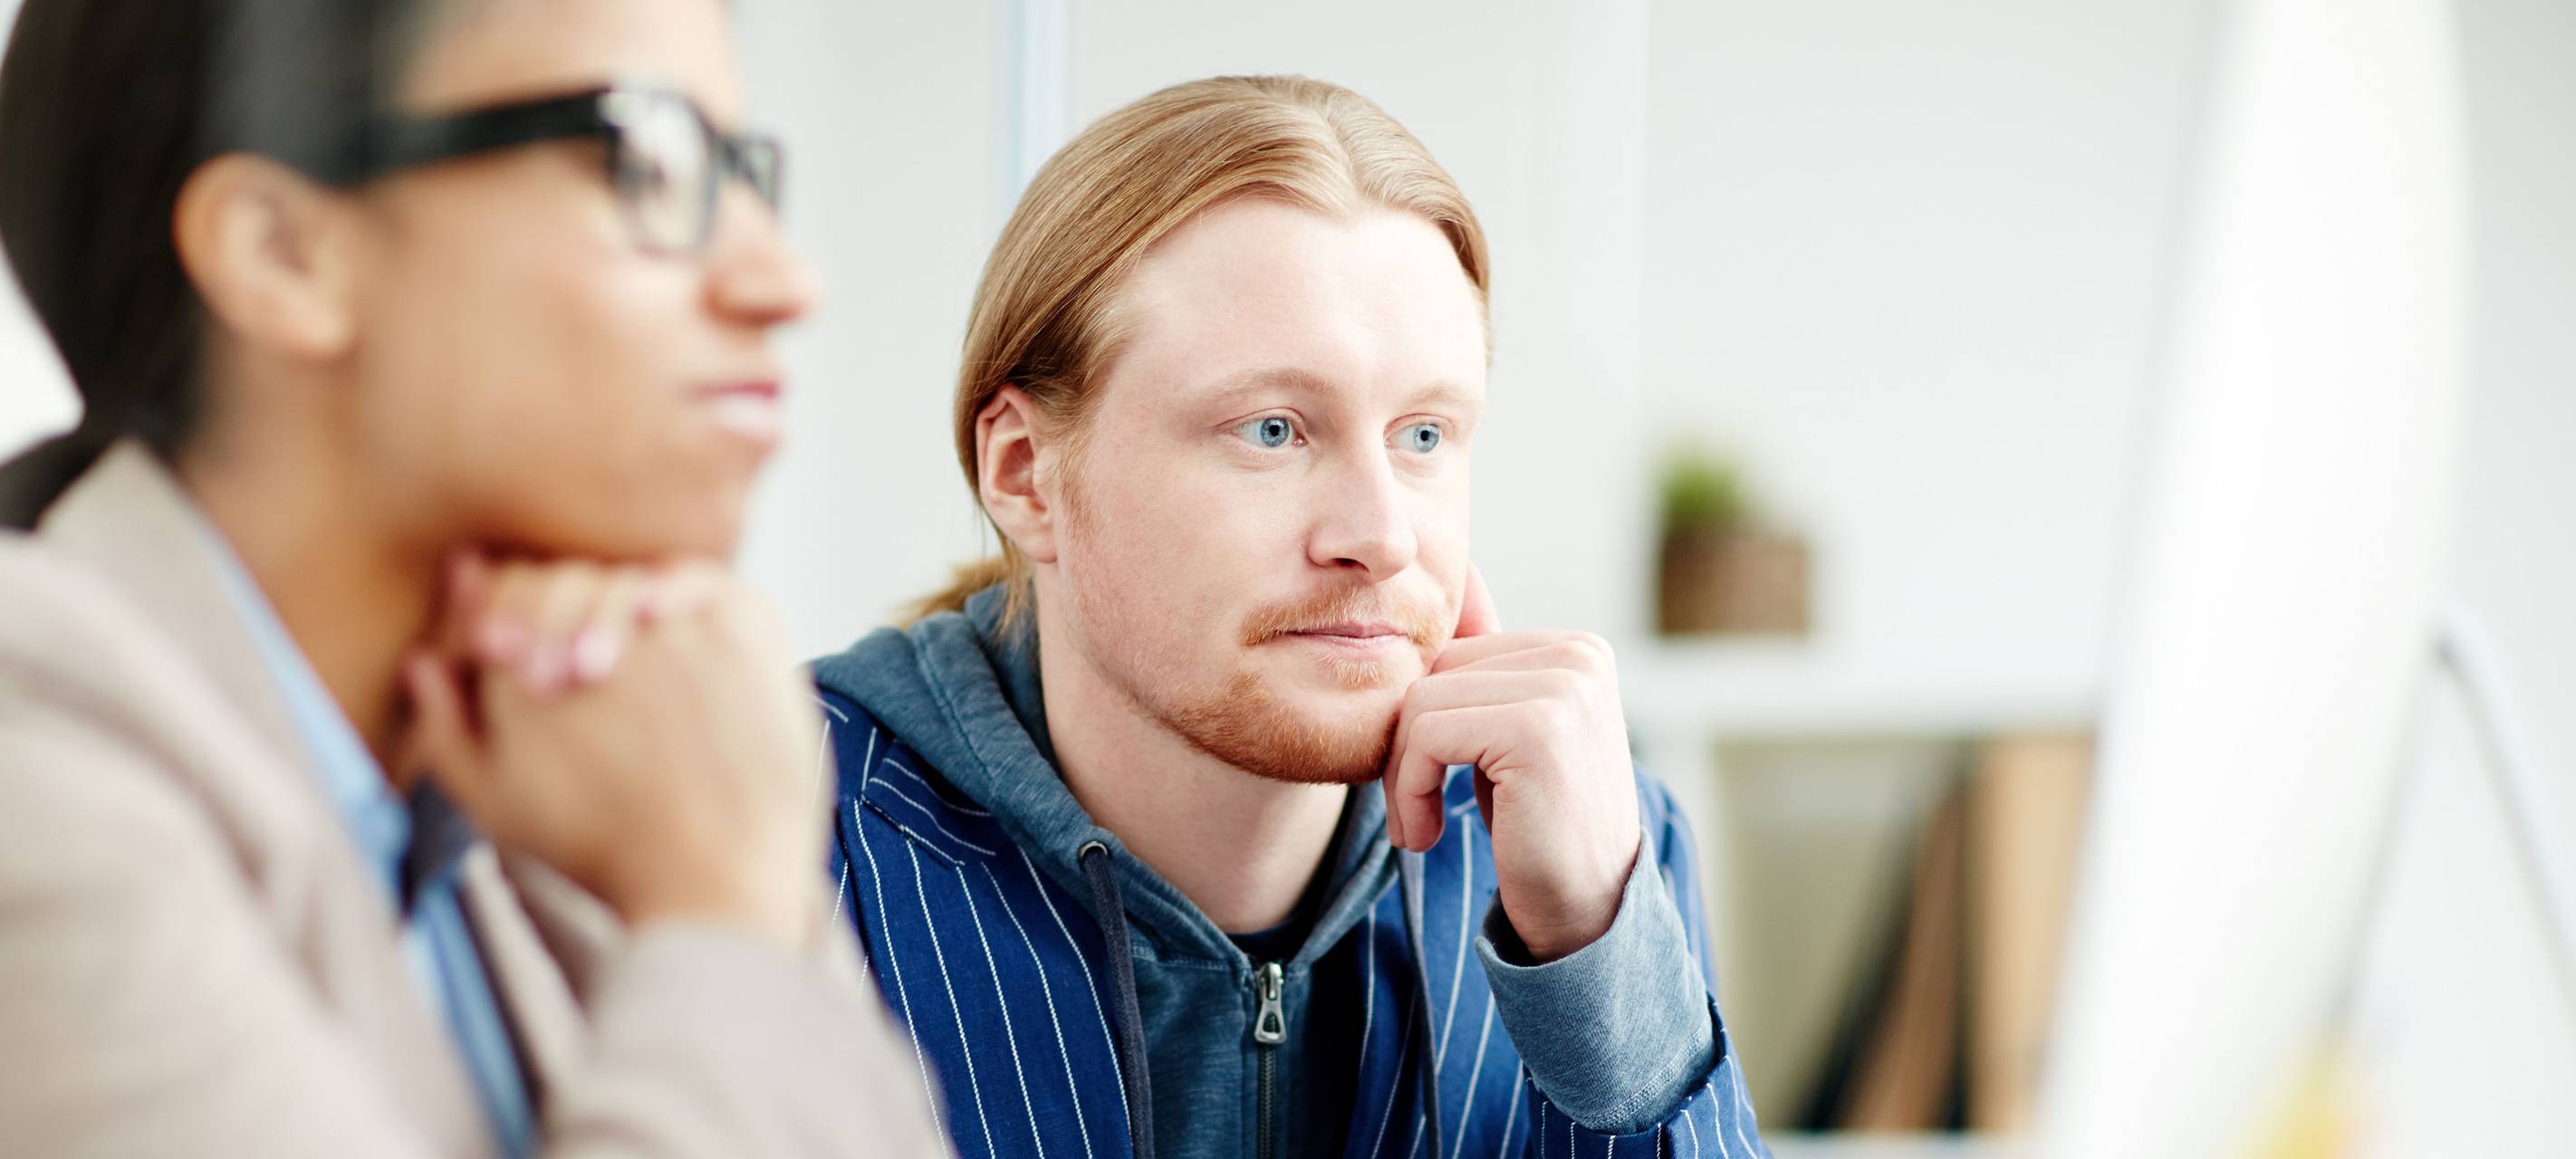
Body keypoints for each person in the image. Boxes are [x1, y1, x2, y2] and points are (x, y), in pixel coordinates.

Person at [0, 0, 937, 1154]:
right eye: (646, 155)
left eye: (742, 170)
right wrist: (724, 912)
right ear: (283, 251)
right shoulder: (32, 776)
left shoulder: (574, 769)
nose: (785, 282)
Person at [814, 74, 1770, 1157]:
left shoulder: (1594, 839)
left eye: (1423, 435)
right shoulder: (776, 835)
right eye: (1272, 429)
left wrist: (1600, 960)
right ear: (1026, 473)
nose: (1382, 533)